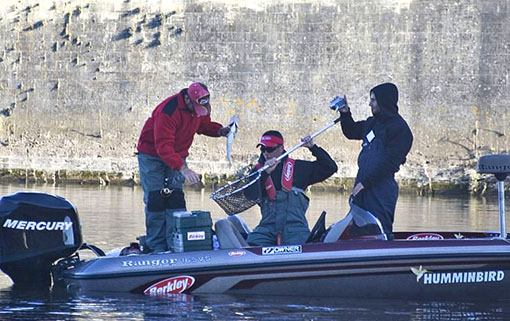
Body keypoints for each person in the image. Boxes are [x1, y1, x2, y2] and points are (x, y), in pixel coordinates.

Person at [136, 82, 230, 252]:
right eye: (195, 107)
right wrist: (183, 168)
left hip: (177, 154)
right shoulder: (168, 111)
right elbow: (163, 147)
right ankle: (156, 245)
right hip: (152, 155)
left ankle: (175, 243)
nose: (198, 111)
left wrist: (219, 131)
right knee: (155, 200)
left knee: (175, 199)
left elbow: (203, 125)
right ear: (187, 98)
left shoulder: (200, 106)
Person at [338, 82, 413, 239]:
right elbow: (351, 131)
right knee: (357, 230)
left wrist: (365, 183)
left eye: (373, 100)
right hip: (362, 187)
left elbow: (390, 164)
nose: (369, 103)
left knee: (379, 229)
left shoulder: (400, 129)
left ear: (383, 101)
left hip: (380, 189)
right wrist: (345, 113)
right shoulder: (372, 123)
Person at [246, 130, 338, 246]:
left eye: (269, 149)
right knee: (251, 245)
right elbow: (249, 196)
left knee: (305, 246)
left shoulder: (299, 168)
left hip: (296, 230)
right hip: (267, 230)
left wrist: (313, 147)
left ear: (281, 148)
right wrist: (264, 174)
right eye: (262, 149)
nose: (265, 153)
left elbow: (330, 167)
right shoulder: (257, 171)